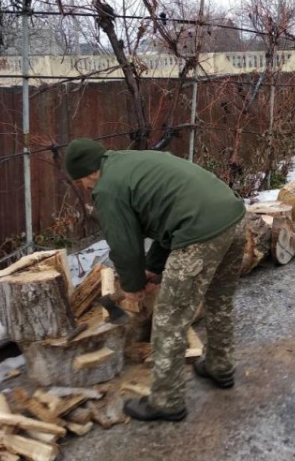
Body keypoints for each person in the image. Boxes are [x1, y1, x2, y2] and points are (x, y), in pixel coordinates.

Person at [64, 138, 246, 422]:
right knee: (219, 302)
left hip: (200, 234)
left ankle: (167, 401)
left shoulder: (108, 188)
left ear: (88, 173)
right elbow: (169, 218)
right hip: (234, 219)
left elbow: (125, 245)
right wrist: (151, 269)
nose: (85, 189)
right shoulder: (132, 162)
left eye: (81, 182)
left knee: (169, 319)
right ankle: (219, 366)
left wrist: (133, 286)